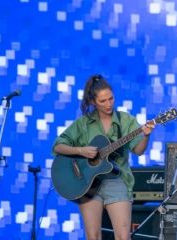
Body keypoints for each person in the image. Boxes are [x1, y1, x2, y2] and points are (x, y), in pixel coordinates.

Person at [53, 74, 155, 240]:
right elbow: (58, 146)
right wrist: (81, 151)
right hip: (87, 184)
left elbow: (138, 151)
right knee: (93, 236)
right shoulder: (83, 123)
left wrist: (146, 136)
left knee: (123, 237)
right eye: (103, 101)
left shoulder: (125, 120)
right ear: (93, 102)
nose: (109, 104)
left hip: (117, 180)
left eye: (111, 99)